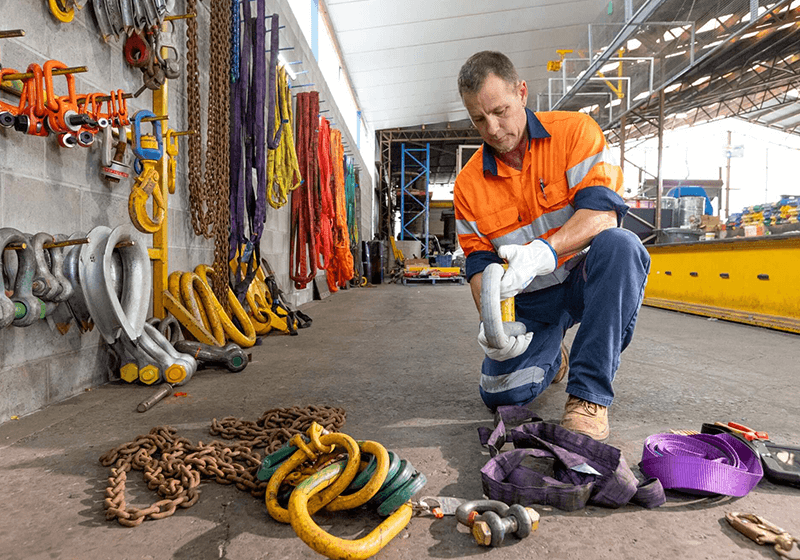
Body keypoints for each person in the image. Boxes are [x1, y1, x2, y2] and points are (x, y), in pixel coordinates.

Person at [453, 51, 650, 441]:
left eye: (500, 111)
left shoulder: (575, 133)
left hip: (583, 279)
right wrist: (493, 325)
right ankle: (552, 352)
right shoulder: (468, 185)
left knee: (621, 246)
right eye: (479, 119)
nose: (493, 129)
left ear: (522, 92)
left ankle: (588, 395)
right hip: (531, 301)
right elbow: (478, 264)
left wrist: (544, 251)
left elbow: (602, 215)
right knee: (502, 395)